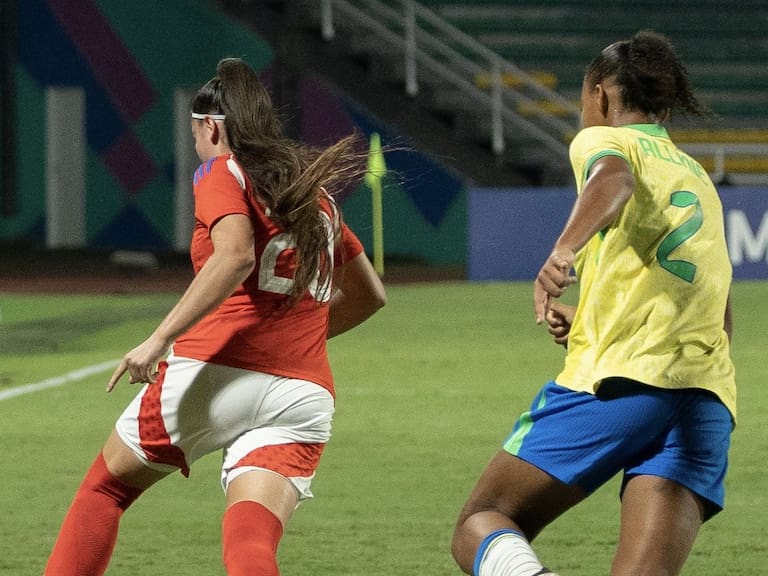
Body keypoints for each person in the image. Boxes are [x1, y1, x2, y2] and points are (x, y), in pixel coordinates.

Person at [44, 57, 386, 576]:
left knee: (106, 487)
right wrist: (296, 343)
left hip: (216, 371)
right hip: (303, 395)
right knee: (249, 545)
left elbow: (235, 255)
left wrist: (158, 338)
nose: (198, 146)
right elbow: (370, 295)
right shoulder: (314, 199)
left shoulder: (222, 171)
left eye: (197, 134)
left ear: (211, 126)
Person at [451, 30, 735, 576]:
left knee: (481, 520)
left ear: (601, 96)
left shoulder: (607, 141)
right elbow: (713, 308)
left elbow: (614, 178)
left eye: (585, 97)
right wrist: (594, 319)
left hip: (620, 386)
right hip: (705, 398)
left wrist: (562, 252)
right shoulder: (695, 174)